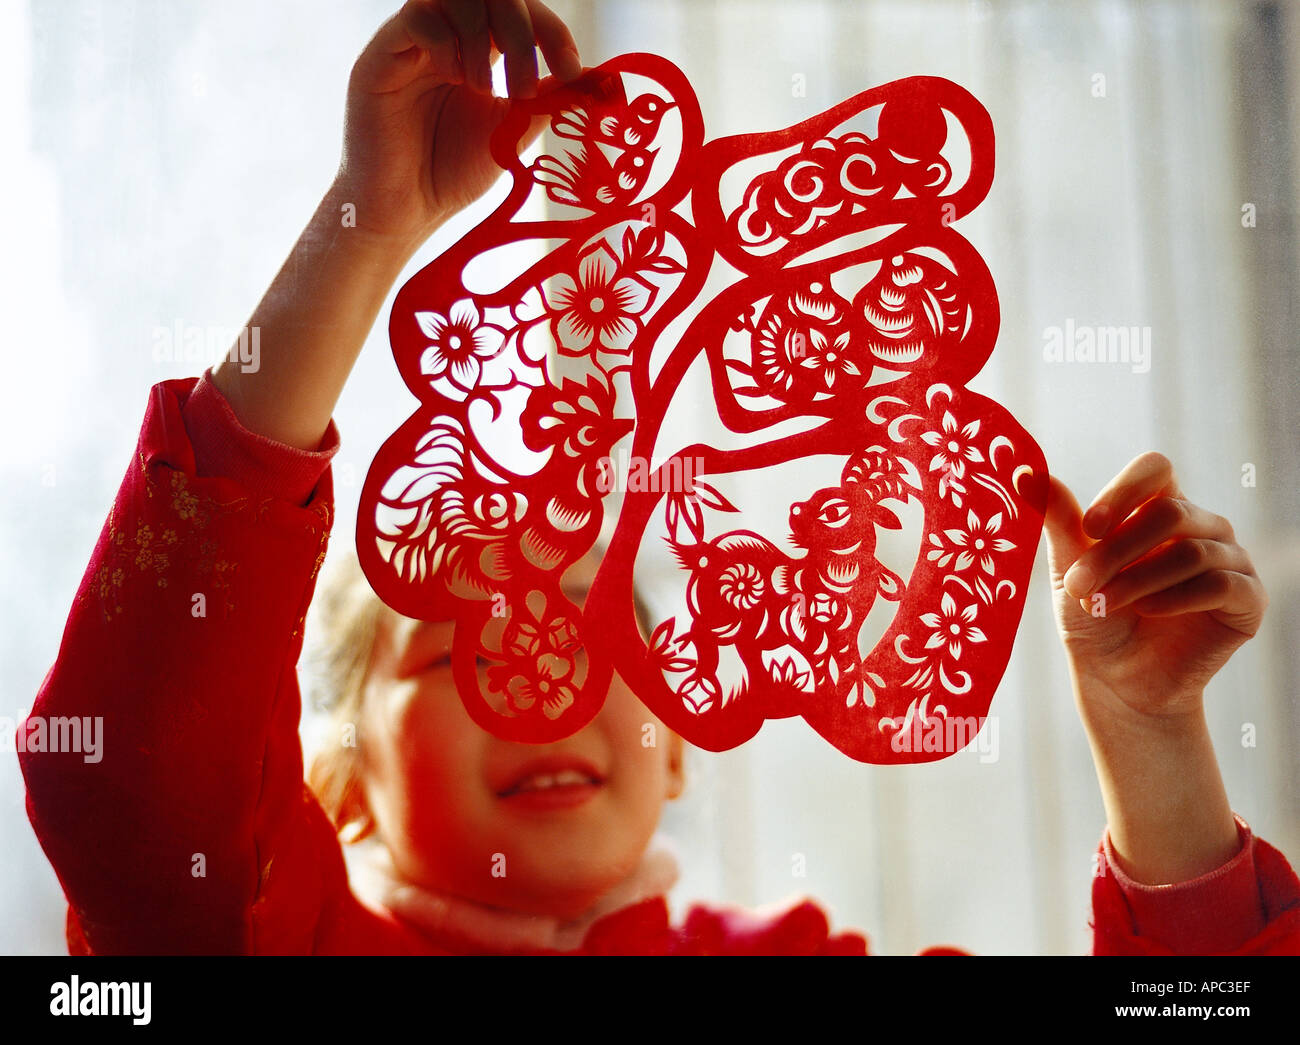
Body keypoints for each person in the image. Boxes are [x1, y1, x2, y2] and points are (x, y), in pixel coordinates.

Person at [18, 0, 1300, 955]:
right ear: (336, 766)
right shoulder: (269, 933)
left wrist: (1148, 732)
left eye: (612, 622)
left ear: (683, 744)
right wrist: (371, 220)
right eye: (467, 635)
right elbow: (134, 771)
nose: (559, 677)